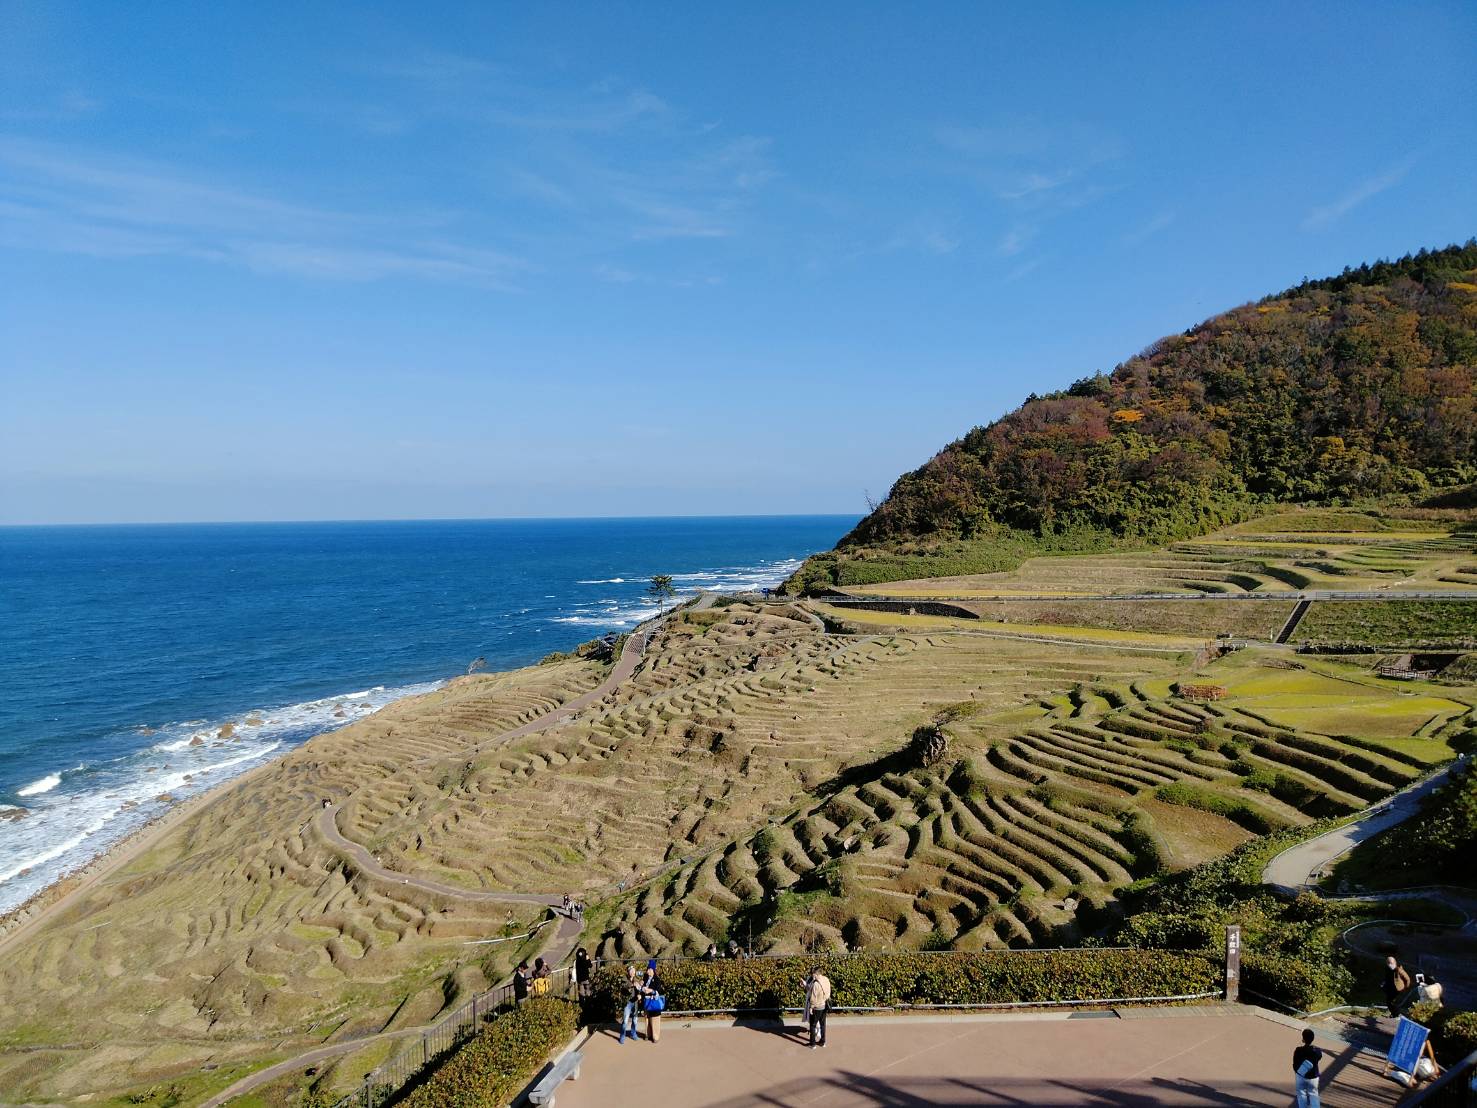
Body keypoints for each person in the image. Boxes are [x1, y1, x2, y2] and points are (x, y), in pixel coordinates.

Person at [1293, 1028, 1322, 1108]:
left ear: (1303, 1039)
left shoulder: (1298, 1050)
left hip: (1300, 1075)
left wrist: (1298, 1071)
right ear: (1313, 1039)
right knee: (1313, 1095)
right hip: (1313, 1077)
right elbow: (1319, 1057)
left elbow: (1294, 1064)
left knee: (1301, 1094)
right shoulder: (1317, 1051)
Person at [806, 968, 832, 1050]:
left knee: (813, 1025)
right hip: (824, 1005)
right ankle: (822, 1042)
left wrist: (811, 1007)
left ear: (816, 974)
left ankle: (812, 1044)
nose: (812, 976)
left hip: (817, 1007)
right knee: (823, 1024)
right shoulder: (826, 979)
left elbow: (813, 998)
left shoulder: (816, 984)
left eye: (813, 974)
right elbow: (828, 991)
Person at [619, 965, 643, 1043]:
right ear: (628, 972)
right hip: (628, 1002)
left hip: (635, 1002)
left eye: (634, 971)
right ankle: (622, 1035)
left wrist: (640, 995)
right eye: (631, 971)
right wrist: (632, 985)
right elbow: (624, 986)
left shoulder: (637, 979)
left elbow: (640, 989)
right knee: (625, 1020)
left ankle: (633, 1033)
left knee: (635, 1020)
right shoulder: (624, 978)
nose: (632, 972)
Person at [644, 966, 666, 1043]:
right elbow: (643, 987)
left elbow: (659, 990)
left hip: (654, 1002)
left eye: (650, 969)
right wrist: (642, 988)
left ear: (653, 970)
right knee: (647, 1018)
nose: (648, 971)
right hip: (647, 1001)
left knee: (655, 1019)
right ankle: (648, 1034)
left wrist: (651, 991)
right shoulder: (645, 978)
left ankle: (655, 1036)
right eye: (647, 969)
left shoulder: (657, 979)